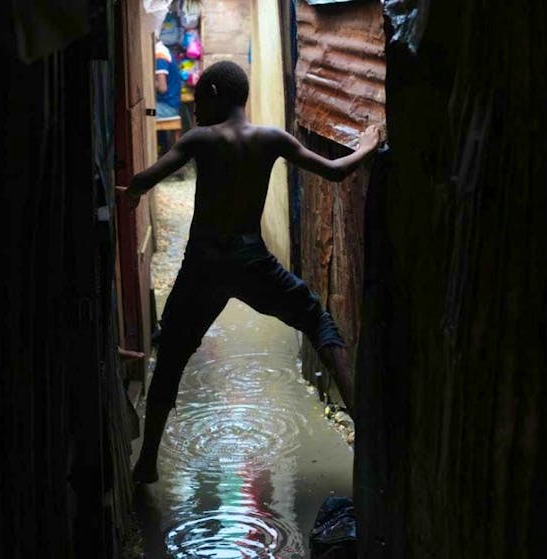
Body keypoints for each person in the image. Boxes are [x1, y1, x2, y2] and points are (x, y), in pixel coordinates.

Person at [118, 61, 381, 484]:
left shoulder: (200, 140)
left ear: (218, 91)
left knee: (169, 358)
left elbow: (145, 179)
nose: (196, 109)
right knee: (317, 320)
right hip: (250, 259)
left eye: (201, 98)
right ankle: (368, 433)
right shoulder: (272, 138)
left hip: (203, 264)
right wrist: (367, 145)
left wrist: (129, 195)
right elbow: (336, 171)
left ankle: (147, 462)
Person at [154, 40, 182, 121]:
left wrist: (146, 84)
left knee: (144, 113)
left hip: (167, 109)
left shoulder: (160, 56)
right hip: (169, 106)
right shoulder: (164, 50)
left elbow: (162, 88)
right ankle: (161, 134)